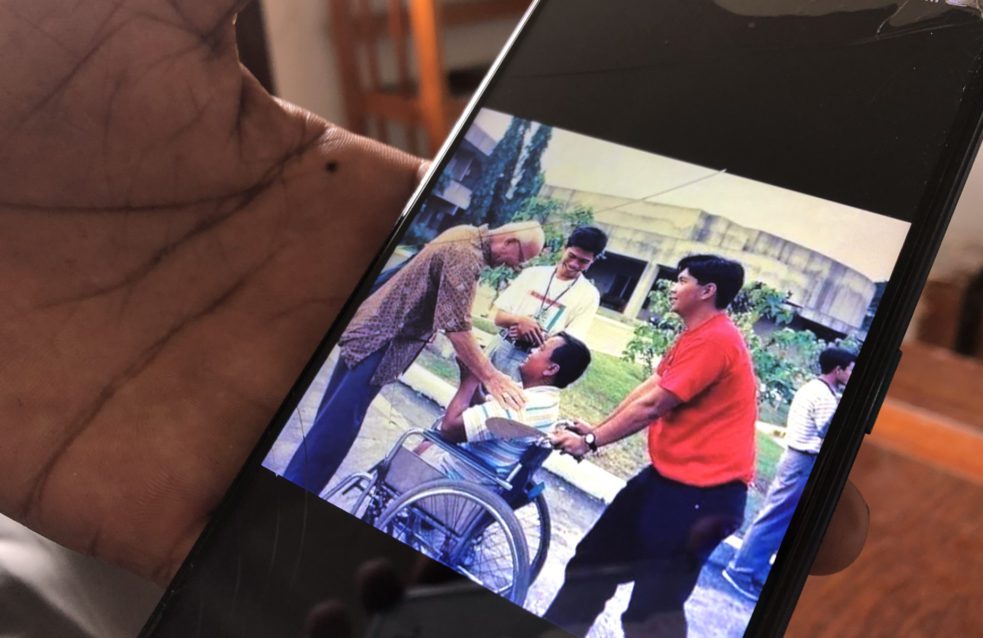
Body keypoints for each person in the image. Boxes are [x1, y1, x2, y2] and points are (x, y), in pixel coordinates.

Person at [1, 2, 867, 634]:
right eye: (531, 261)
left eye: (551, 265)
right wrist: (499, 370)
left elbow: (600, 395)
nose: (536, 270)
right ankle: (295, 500)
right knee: (335, 429)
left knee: (349, 439)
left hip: (536, 417)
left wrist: (525, 400)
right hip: (400, 345)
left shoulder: (613, 328)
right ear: (514, 250)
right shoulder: (466, 255)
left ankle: (297, 502)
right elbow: (469, 327)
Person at [544, 254, 757, 637]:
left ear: (707, 291)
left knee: (651, 613)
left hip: (705, 495)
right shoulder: (696, 334)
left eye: (682, 280)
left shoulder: (717, 341)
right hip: (667, 480)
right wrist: (597, 429)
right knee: (592, 564)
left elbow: (655, 405)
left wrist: (590, 442)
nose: (672, 288)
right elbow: (652, 388)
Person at [282, 221, 545, 496]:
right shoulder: (466, 255)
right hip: (380, 343)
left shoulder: (465, 233)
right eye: (521, 260)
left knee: (329, 421)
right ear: (509, 242)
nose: (515, 267)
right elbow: (457, 328)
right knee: (335, 431)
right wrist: (492, 377)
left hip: (370, 331)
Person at [722, 347, 857, 600]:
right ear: (837, 369)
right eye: (851, 370)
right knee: (774, 518)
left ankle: (755, 572)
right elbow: (828, 433)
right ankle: (739, 572)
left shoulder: (817, 389)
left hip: (796, 459)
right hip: (802, 461)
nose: (853, 374)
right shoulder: (825, 397)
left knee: (780, 520)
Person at [438, 332, 592, 478]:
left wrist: (468, 381)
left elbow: (448, 430)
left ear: (551, 369)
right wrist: (476, 377)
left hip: (452, 478)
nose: (532, 350)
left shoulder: (523, 405)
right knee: (425, 447)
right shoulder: (542, 399)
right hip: (468, 475)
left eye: (541, 349)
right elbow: (488, 416)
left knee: (424, 445)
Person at [487, 226, 607, 382]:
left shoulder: (589, 295)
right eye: (572, 256)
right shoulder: (533, 274)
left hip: (532, 362)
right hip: (501, 346)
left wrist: (536, 336)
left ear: (594, 260)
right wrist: (521, 321)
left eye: (583, 261)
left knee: (504, 404)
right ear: (564, 248)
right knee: (472, 396)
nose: (574, 264)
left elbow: (571, 344)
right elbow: (499, 318)